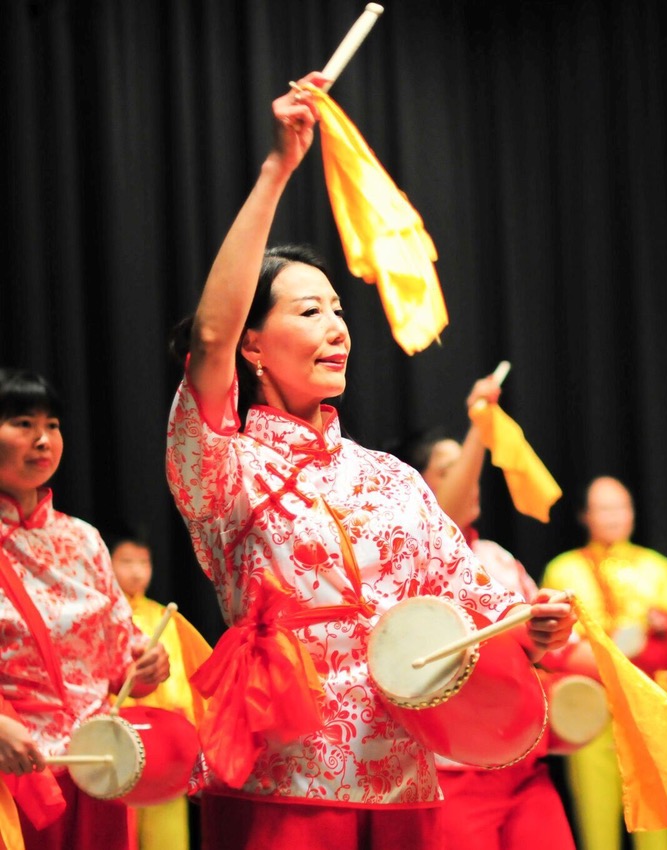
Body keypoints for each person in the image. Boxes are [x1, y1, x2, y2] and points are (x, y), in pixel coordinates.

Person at [163, 72, 574, 850]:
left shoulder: (390, 479)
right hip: (282, 772)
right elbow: (208, 339)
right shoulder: (225, 465)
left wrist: (531, 627)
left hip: (401, 775)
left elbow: (467, 602)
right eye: (308, 311)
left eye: (341, 311)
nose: (337, 327)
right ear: (254, 345)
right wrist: (278, 170)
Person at [397, 371, 578, 850]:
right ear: (416, 488)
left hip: (526, 770)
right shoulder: (411, 562)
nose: (470, 477)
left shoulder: (498, 557)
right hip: (453, 777)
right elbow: (443, 521)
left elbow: (552, 654)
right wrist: (479, 424)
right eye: (449, 468)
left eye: (469, 464)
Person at [0, 368, 170, 850]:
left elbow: (123, 655)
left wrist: (148, 663)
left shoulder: (83, 538)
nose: (42, 439)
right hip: (17, 773)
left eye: (51, 424)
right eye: (22, 423)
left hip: (98, 765)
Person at [540, 476, 667, 850]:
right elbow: (553, 642)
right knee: (596, 819)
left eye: (621, 507)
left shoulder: (657, 567)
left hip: (648, 705)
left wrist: (665, 626)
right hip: (590, 703)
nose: (614, 516)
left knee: (655, 820)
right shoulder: (563, 569)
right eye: (604, 508)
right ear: (585, 515)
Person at [107, 529, 212, 850]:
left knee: (166, 833)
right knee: (114, 827)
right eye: (126, 561)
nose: (137, 570)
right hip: (116, 740)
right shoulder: (101, 614)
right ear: (105, 562)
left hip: (164, 742)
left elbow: (183, 684)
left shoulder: (164, 616)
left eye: (144, 562)